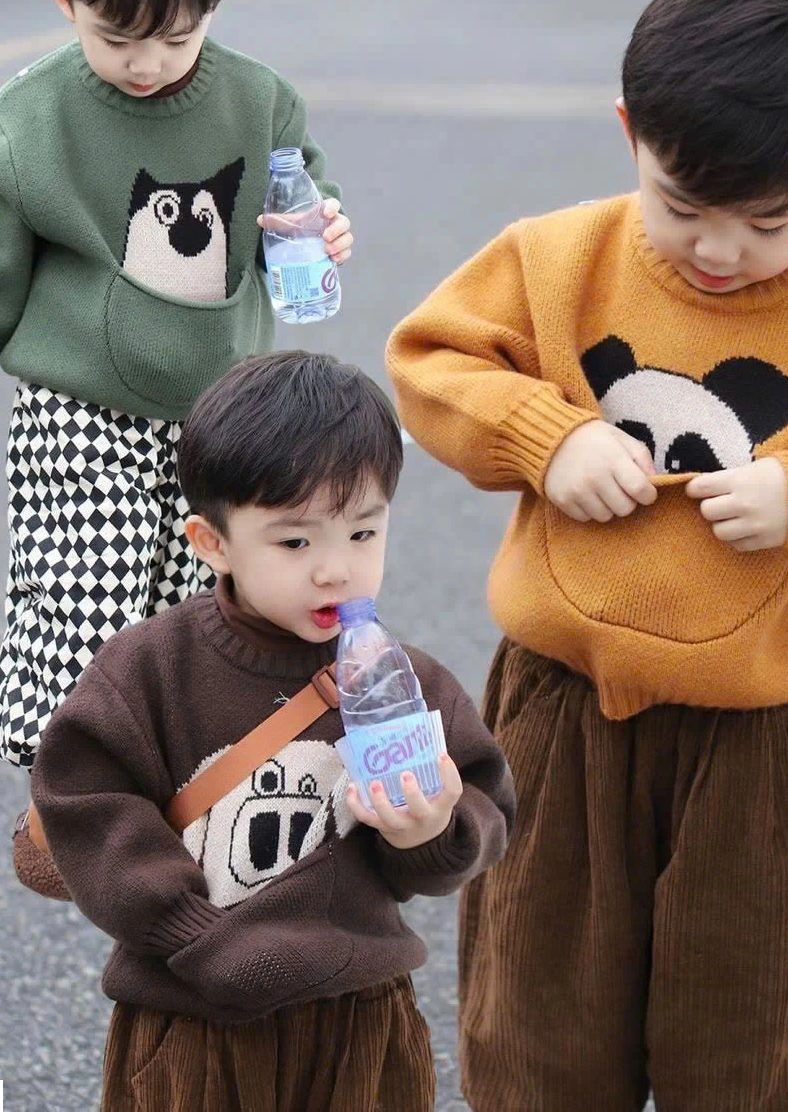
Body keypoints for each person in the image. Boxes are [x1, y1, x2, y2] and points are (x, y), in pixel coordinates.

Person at [385, 0, 788, 1110]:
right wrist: (546, 437)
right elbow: (432, 359)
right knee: (539, 1023)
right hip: (561, 708)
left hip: (767, 739)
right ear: (632, 133)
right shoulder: (557, 260)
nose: (718, 250)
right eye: (679, 207)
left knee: (752, 1032)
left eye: (769, 220)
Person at [0, 0, 354, 769]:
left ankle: (181, 782)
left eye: (175, 37)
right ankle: (71, 788)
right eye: (116, 38)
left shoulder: (259, 103)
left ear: (213, 8)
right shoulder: (30, 118)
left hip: (220, 416)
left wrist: (319, 227)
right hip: (78, 412)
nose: (146, 64)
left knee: (202, 607)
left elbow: (298, 197)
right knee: (84, 599)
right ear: (64, 0)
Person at [30, 350, 515, 1111]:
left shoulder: (402, 678)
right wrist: (193, 933)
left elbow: (480, 809)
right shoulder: (151, 669)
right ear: (212, 542)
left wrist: (430, 833)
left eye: (363, 533)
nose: (335, 570)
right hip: (192, 1016)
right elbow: (86, 802)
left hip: (360, 1014)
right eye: (295, 542)